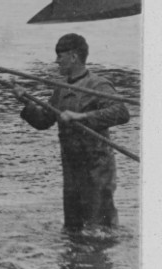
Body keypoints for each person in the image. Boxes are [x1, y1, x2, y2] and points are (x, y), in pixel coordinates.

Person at [13, 32, 130, 230]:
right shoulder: (61, 89)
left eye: (60, 55)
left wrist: (82, 117)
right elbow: (44, 121)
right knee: (73, 228)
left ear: (74, 57)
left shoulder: (97, 84)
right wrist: (25, 101)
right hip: (72, 167)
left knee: (101, 228)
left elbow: (122, 112)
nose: (56, 61)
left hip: (97, 168)